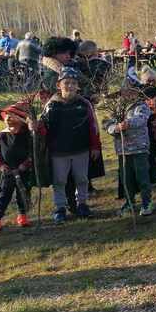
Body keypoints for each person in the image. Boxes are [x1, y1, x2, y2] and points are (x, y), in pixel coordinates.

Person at [34, 67, 103, 223]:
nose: (70, 86)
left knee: (82, 178)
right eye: (66, 83)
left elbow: (93, 127)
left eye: (73, 83)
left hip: (81, 149)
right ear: (59, 85)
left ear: (78, 86)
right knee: (59, 181)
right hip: (59, 151)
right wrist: (37, 127)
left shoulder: (84, 104)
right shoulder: (51, 105)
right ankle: (60, 207)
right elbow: (45, 128)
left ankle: (82, 204)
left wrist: (95, 146)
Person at [104, 86, 155, 217]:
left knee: (142, 177)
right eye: (125, 91)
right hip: (123, 150)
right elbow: (107, 123)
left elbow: (141, 119)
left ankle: (147, 202)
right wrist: (114, 128)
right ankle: (129, 202)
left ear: (137, 92)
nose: (129, 94)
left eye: (132, 91)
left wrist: (127, 123)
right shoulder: (116, 108)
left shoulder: (142, 106)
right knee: (126, 178)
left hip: (139, 149)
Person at [0, 102, 35, 235]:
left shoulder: (27, 135)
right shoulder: (1, 136)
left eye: (11, 115)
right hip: (7, 171)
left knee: (23, 194)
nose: (7, 118)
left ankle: (22, 216)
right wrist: (1, 165)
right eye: (6, 115)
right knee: (3, 195)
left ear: (20, 120)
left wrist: (25, 164)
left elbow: (32, 153)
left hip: (23, 170)